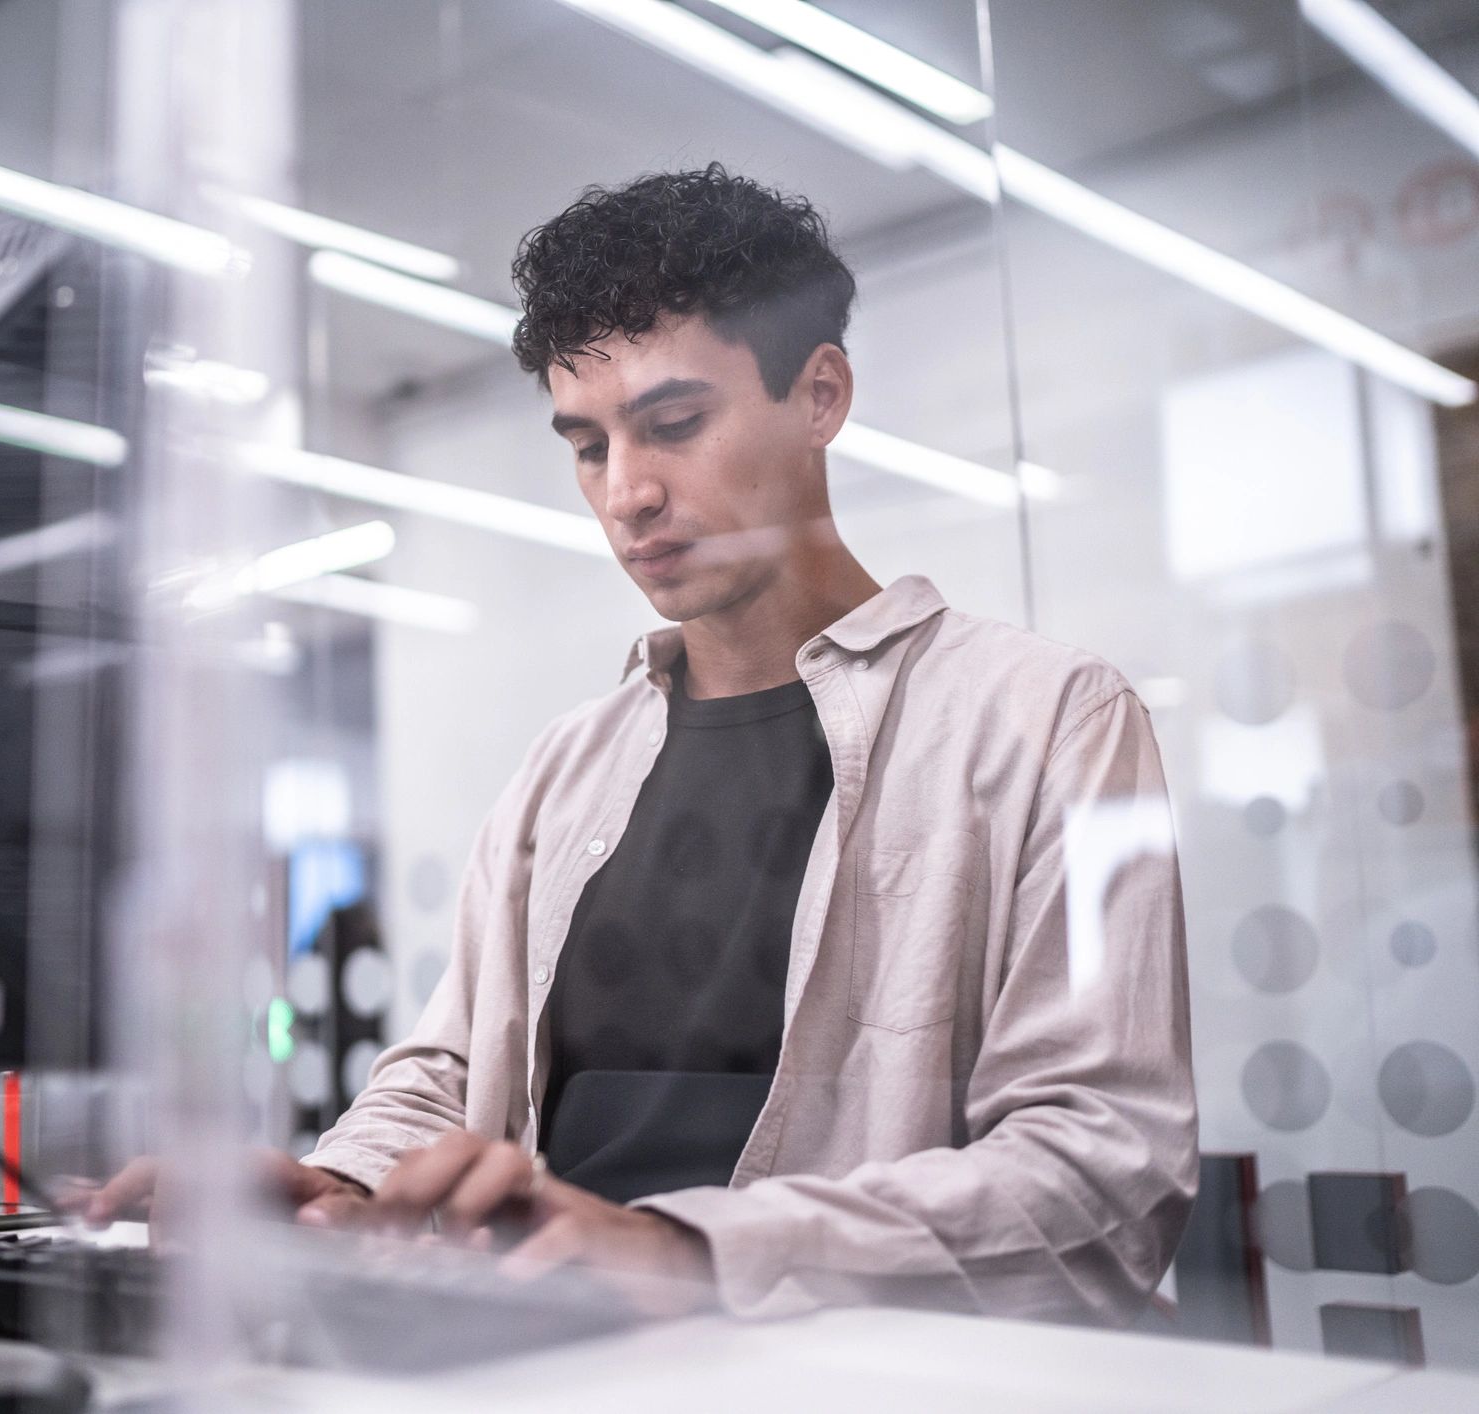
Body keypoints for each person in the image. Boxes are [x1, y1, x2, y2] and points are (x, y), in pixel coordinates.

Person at [89, 164, 1196, 1327]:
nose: (625, 493)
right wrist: (340, 1180)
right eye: (585, 444)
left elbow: (1099, 1176)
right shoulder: (566, 768)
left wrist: (681, 1249)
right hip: (555, 1362)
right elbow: (452, 1074)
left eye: (673, 425)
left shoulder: (1042, 719)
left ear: (819, 395)